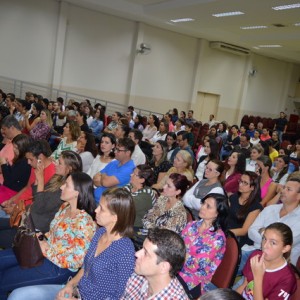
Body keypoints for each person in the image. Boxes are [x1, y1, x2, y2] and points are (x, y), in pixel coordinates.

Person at [8, 187, 136, 300]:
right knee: (17, 295)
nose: (96, 210)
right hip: (76, 291)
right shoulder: (100, 233)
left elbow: (120, 295)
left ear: (115, 217)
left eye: (101, 209)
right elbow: (85, 268)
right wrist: (70, 285)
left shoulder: (125, 250)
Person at [0, 172, 97, 299]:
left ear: (77, 192)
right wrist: (41, 237)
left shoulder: (84, 222)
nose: (61, 187)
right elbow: (53, 235)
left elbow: (76, 261)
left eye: (66, 185)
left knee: (4, 280)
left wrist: (46, 250)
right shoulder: (65, 207)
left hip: (58, 268)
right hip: (42, 253)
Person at [239, 177, 300, 276]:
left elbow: (283, 244)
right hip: (253, 252)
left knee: (242, 286)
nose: (283, 191)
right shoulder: (270, 209)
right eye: (284, 187)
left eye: (288, 189)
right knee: (225, 264)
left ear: (298, 196)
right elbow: (251, 231)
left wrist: (262, 231)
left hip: (277, 264)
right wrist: (271, 241)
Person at [178, 193, 229, 297]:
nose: (202, 207)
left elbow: (195, 266)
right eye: (203, 203)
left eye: (208, 206)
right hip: (177, 268)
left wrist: (178, 254)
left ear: (217, 214)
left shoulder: (217, 238)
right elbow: (176, 244)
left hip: (194, 280)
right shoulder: (192, 225)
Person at [121, 228, 189, 300]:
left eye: (146, 253)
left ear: (163, 267)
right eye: (141, 248)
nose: (137, 254)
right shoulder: (139, 276)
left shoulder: (174, 297)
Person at [236, 223, 297, 299]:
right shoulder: (256, 256)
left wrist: (257, 277)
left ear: (285, 248)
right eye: (264, 239)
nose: (264, 246)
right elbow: (244, 284)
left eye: (273, 243)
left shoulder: (287, 279)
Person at [30, 150, 83, 233]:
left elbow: (39, 208)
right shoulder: (57, 177)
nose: (55, 164)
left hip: (40, 227)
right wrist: (37, 180)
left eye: (60, 163)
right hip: (32, 219)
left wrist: (40, 180)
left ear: (70, 168)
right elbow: (35, 197)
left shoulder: (67, 189)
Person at [93, 137, 135, 203]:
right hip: (95, 197)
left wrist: (103, 176)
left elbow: (105, 183)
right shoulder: (115, 162)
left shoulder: (129, 169)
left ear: (128, 153)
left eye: (119, 150)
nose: (115, 152)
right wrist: (105, 181)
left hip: (106, 205)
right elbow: (95, 178)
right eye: (116, 149)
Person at [228, 171, 262, 248]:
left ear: (252, 187)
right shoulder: (233, 197)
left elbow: (244, 231)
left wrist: (224, 233)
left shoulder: (255, 207)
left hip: (239, 238)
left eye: (245, 183)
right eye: (240, 181)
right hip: (227, 231)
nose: (240, 184)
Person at [0, 134, 31, 205]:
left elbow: (8, 181)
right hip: (11, 188)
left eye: (16, 148)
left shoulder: (25, 162)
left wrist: (4, 165)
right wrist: (7, 165)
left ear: (23, 148)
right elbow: (13, 174)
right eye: (13, 146)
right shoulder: (21, 158)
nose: (14, 149)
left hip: (13, 192)